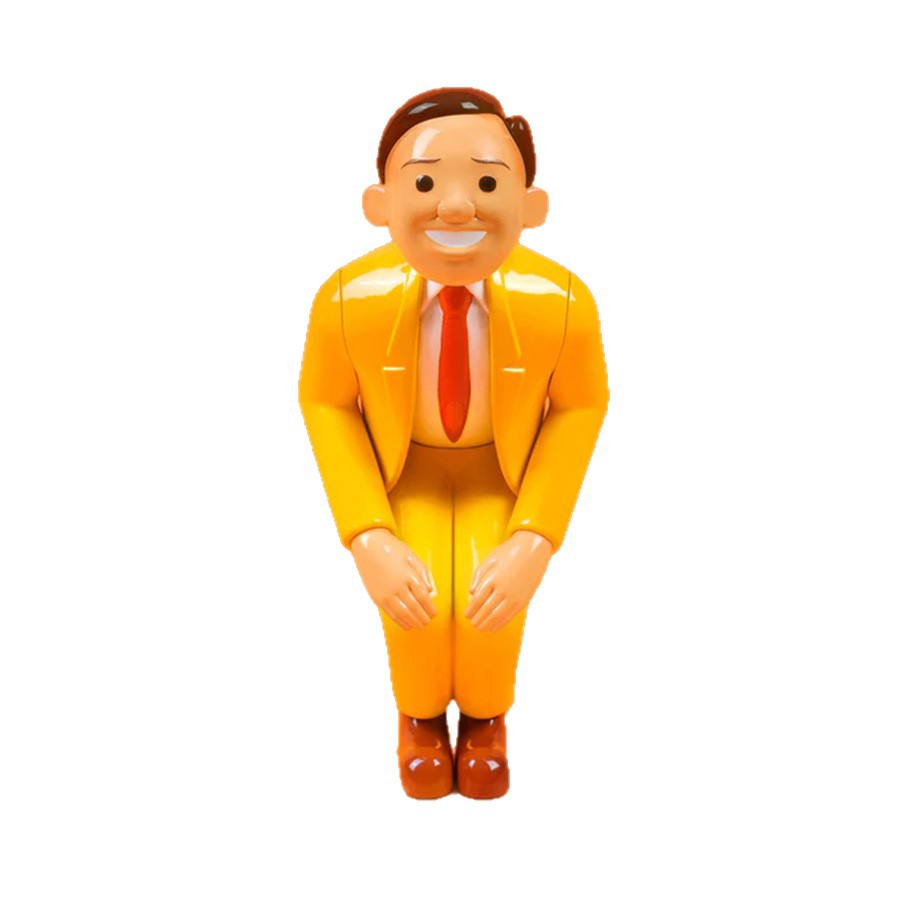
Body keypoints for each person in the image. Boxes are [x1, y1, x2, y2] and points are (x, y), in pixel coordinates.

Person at [299, 87, 609, 799]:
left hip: (499, 471)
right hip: (405, 468)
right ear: (379, 204)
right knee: (418, 600)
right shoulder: (345, 301)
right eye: (426, 183)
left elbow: (580, 407)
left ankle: (485, 719)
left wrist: (535, 535)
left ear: (532, 206)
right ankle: (418, 719)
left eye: (489, 184)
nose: (459, 206)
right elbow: (326, 403)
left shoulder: (563, 304)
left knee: (486, 600)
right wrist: (367, 532)